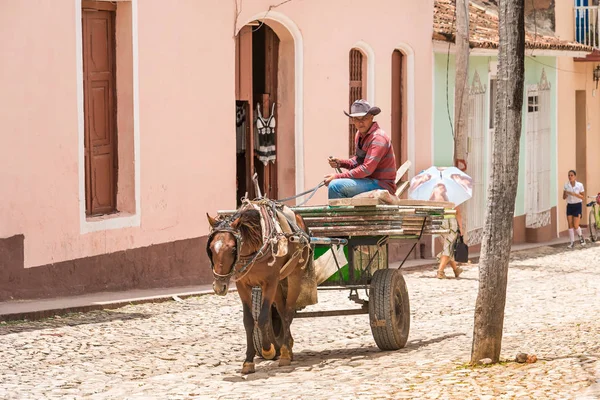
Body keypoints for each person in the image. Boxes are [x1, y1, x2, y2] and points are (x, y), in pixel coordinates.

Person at [326, 100, 397, 199]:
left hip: (382, 184)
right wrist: (341, 163)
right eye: (357, 119)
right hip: (367, 180)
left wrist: (337, 176)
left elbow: (366, 169)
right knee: (335, 184)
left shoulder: (378, 138)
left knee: (335, 186)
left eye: (364, 118)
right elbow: (358, 161)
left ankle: (341, 215)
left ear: (371, 117)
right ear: (353, 120)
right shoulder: (359, 135)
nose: (360, 123)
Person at [432, 184, 464, 279]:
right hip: (450, 223)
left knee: (448, 246)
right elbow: (457, 212)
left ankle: (456, 269)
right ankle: (440, 271)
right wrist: (461, 227)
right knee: (448, 247)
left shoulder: (433, 196)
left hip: (439, 224)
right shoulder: (451, 196)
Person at [563, 169, 586, 248]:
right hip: (570, 205)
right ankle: (572, 242)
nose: (570, 177)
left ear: (575, 176)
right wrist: (566, 194)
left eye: (572, 175)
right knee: (570, 224)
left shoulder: (579, 185)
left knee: (576, 225)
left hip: (577, 205)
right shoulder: (566, 185)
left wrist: (574, 194)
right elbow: (563, 197)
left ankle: (581, 236)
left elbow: (583, 197)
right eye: (569, 175)